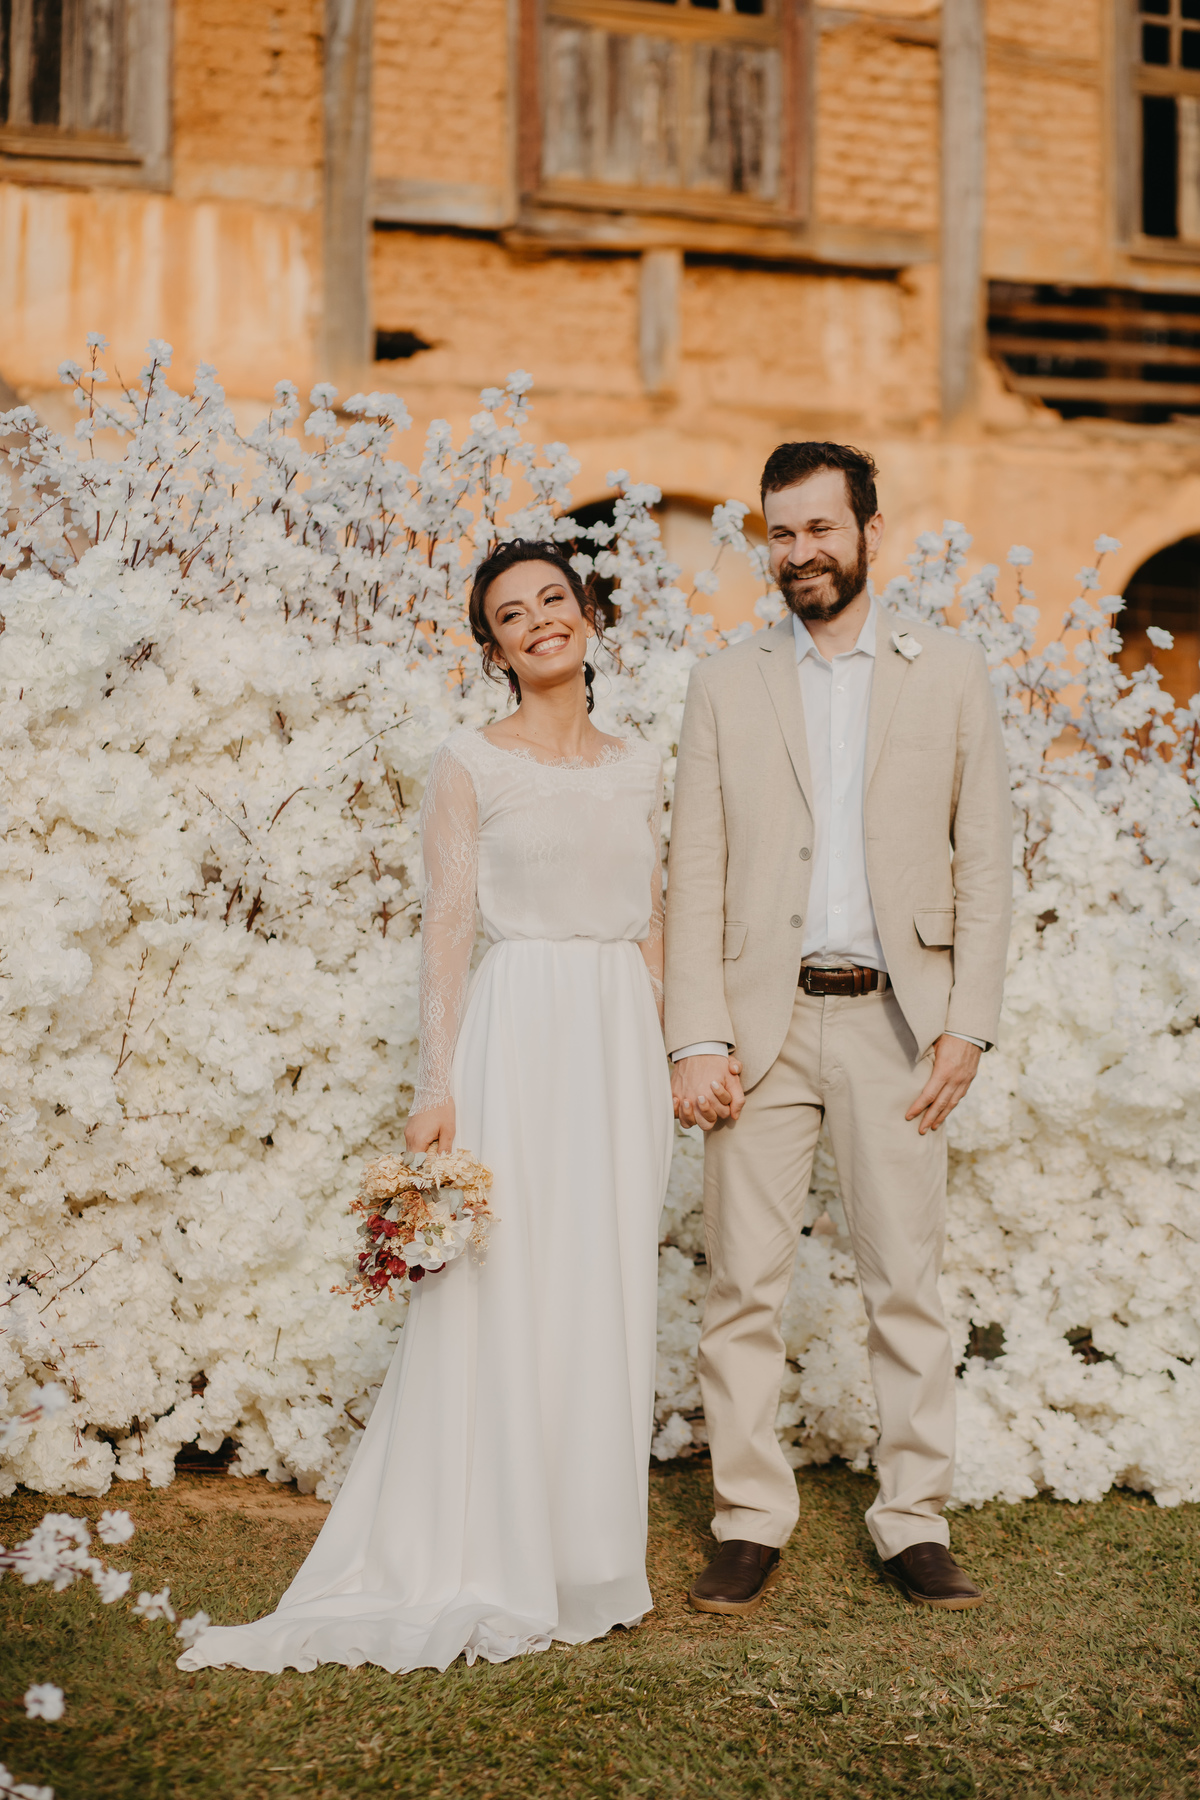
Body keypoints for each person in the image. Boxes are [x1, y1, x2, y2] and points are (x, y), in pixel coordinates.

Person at [178, 540, 673, 1674]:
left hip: (618, 1044)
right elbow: (449, 926)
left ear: (589, 614)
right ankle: (485, 1547)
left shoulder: (645, 763)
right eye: (513, 612)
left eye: (556, 598)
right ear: (491, 646)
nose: (541, 619)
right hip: (523, 1027)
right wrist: (436, 1086)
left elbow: (654, 914)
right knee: (508, 1287)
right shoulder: (468, 761)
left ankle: (586, 1552)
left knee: (603, 1280)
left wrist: (667, 1044)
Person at [665, 442, 1012, 1616]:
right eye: (781, 533)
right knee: (741, 1291)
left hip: (899, 1029)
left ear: (869, 528)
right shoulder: (724, 682)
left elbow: (987, 866)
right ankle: (750, 1521)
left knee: (905, 1283)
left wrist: (967, 1024)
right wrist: (695, 1033)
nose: (800, 553)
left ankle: (913, 1523)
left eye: (821, 528)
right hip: (759, 1029)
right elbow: (696, 867)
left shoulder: (951, 671)